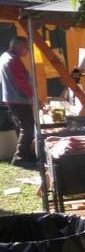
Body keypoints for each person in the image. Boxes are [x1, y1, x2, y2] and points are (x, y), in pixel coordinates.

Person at [0, 36, 36, 165]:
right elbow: (22, 82)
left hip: (11, 99)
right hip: (19, 100)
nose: (27, 50)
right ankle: (20, 158)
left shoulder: (4, 57)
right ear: (18, 46)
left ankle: (25, 154)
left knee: (23, 127)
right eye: (26, 47)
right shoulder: (13, 60)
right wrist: (34, 97)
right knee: (28, 127)